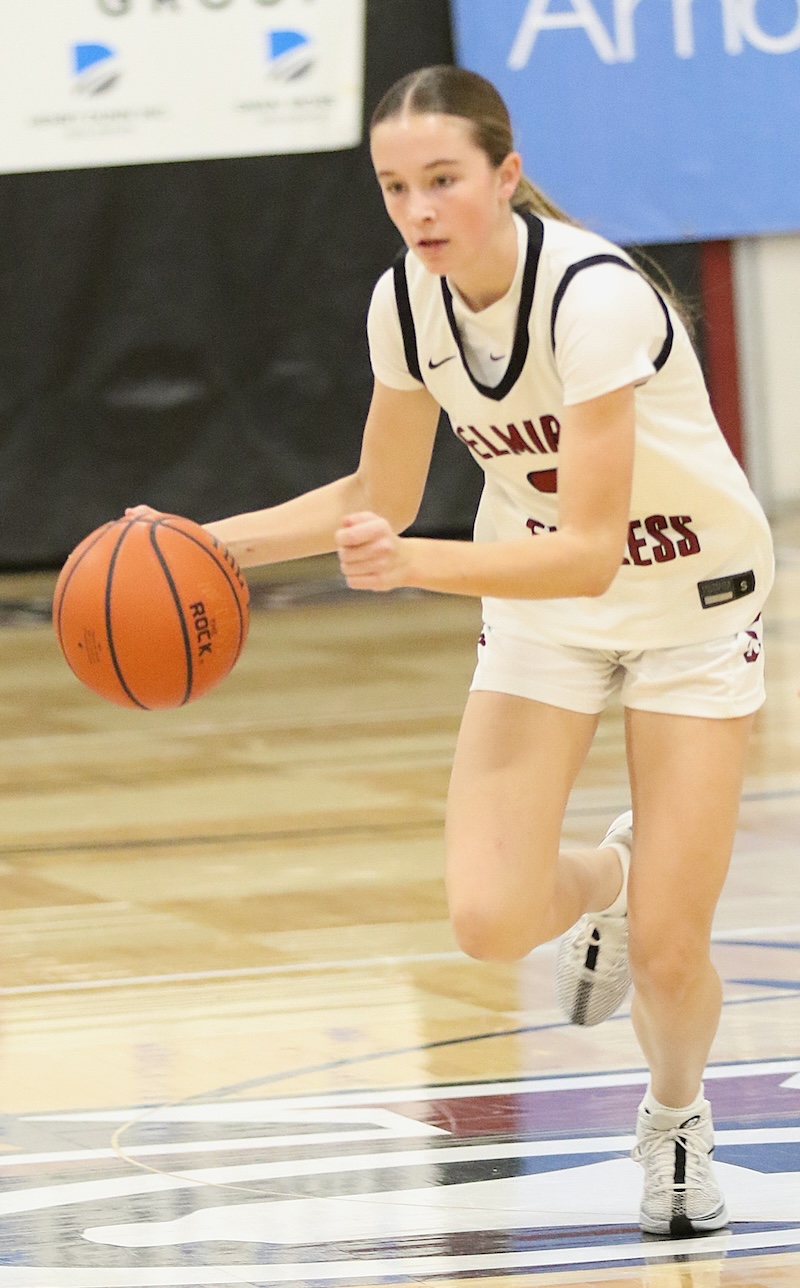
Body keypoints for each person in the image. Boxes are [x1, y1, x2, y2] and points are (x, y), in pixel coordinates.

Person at [131, 65, 773, 1236]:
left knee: (673, 954)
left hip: (687, 600)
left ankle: (675, 1116)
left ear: (504, 174)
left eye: (441, 180)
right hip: (541, 609)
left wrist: (412, 562)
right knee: (487, 919)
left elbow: (588, 549)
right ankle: (611, 880)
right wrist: (194, 545)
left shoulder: (594, 299)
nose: (418, 209)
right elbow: (373, 496)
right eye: (394, 188)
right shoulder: (407, 304)